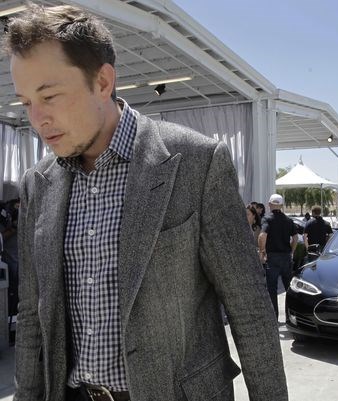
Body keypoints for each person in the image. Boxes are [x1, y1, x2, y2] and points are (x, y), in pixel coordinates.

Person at [4, 4, 287, 401]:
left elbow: (248, 308)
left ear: (102, 82)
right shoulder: (38, 183)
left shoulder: (196, 163)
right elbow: (34, 314)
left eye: (50, 96)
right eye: (26, 102)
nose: (38, 119)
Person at [258, 194, 298, 319]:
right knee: (290, 289)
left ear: (269, 204)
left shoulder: (267, 219)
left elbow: (262, 236)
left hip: (272, 257)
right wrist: (291, 251)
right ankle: (291, 316)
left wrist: (262, 251)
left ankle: (273, 317)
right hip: (286, 257)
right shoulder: (288, 220)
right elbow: (295, 237)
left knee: (272, 288)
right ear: (281, 206)